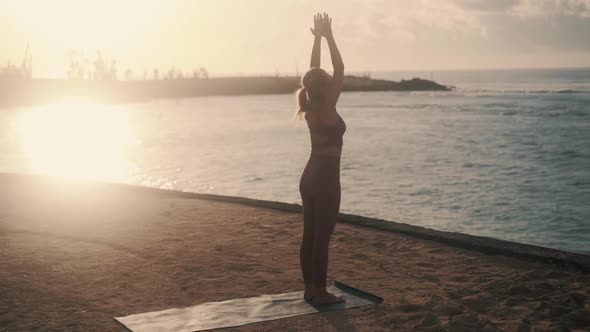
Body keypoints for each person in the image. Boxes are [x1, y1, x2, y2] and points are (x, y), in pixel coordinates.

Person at [297, 12, 346, 306]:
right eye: (328, 79)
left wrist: (317, 38)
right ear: (325, 85)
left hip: (309, 176)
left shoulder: (311, 103)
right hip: (326, 178)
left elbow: (314, 70)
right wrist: (329, 37)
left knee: (310, 235)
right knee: (322, 237)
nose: (331, 77)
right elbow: (339, 66)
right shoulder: (327, 104)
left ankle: (309, 289)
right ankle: (320, 291)